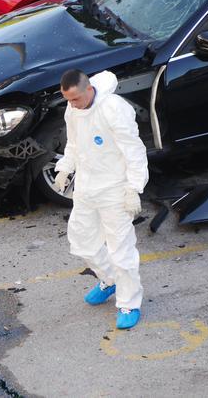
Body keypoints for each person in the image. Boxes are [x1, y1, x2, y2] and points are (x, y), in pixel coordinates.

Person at [54, 69, 148, 329]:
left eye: (74, 99)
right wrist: (65, 167)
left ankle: (129, 303)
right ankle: (109, 280)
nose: (71, 105)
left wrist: (133, 188)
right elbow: (73, 144)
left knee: (121, 250)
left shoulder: (114, 109)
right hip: (86, 187)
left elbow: (134, 151)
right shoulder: (73, 110)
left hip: (115, 189)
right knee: (81, 240)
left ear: (88, 90)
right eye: (68, 100)